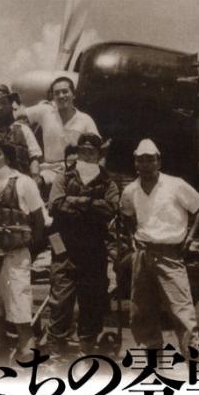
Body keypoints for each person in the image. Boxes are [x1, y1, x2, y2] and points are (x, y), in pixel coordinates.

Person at [120, 138, 199, 354]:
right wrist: (133, 237)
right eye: (141, 160)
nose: (145, 164)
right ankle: (152, 361)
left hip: (170, 255)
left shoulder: (175, 185)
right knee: (142, 312)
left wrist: (190, 238)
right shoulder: (130, 190)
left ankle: (195, 359)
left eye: (150, 159)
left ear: (159, 161)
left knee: (181, 311)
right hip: (143, 255)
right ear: (135, 163)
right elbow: (126, 215)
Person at [0, 132, 45, 360]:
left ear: (7, 156)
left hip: (15, 255)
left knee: (21, 314)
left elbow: (39, 222)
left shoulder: (24, 183)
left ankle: (27, 360)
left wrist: (29, 253)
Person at [46, 133, 119, 357]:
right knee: (60, 302)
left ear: (98, 154)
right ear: (78, 152)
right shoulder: (64, 177)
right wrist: (91, 205)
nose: (87, 156)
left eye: (91, 152)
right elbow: (55, 205)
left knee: (92, 302)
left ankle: (85, 352)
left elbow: (111, 209)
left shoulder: (107, 181)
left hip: (94, 251)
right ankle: (55, 355)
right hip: (64, 250)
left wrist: (74, 201)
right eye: (83, 151)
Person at [24, 76, 99, 186]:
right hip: (49, 170)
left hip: (76, 170)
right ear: (53, 97)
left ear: (74, 94)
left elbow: (99, 149)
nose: (61, 96)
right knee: (35, 184)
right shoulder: (45, 112)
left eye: (65, 92)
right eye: (57, 93)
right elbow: (18, 116)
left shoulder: (85, 119)